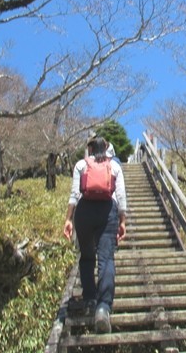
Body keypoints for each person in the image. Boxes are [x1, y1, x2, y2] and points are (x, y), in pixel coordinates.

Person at [63, 136, 127, 334]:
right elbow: (121, 195)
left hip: (84, 212)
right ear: (106, 149)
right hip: (108, 211)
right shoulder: (114, 166)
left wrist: (68, 219)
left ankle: (90, 299)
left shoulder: (81, 165)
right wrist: (122, 220)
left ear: (90, 149)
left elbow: (75, 194)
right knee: (106, 259)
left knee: (87, 256)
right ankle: (103, 308)